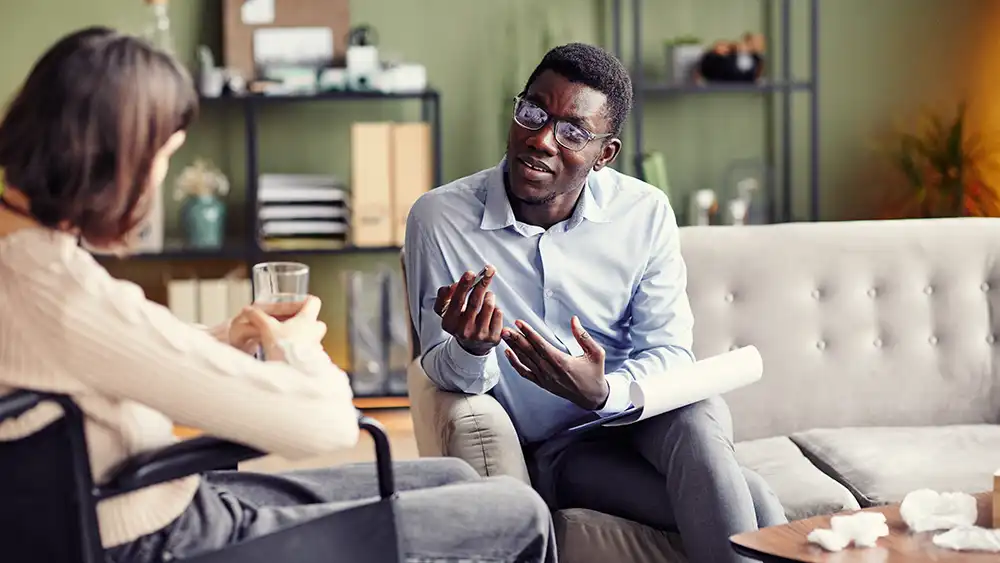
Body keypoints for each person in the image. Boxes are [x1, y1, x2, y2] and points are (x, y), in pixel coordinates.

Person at [0, 26, 556, 563]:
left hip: (152, 500)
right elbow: (329, 425)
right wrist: (299, 346)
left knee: (454, 476)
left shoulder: (26, 259)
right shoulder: (59, 292)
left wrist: (219, 338)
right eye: (163, 159)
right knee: (518, 511)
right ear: (112, 164)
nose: (158, 182)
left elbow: (90, 356)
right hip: (158, 536)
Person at [404, 42, 787, 563]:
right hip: (563, 451)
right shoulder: (440, 219)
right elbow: (438, 367)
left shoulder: (644, 212)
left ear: (604, 154)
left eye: (572, 131)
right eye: (533, 112)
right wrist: (471, 350)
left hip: (642, 418)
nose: (540, 139)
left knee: (697, 413)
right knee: (758, 501)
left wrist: (602, 392)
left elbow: (671, 353)